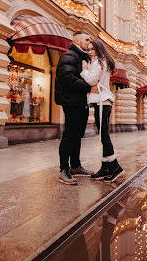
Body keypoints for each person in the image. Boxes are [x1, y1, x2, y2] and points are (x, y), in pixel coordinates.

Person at [80, 40, 124, 182]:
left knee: (104, 135)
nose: (90, 52)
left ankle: (115, 166)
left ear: (98, 49)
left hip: (102, 101)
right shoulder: (102, 61)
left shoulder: (98, 62)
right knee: (102, 135)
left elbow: (92, 80)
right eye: (88, 50)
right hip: (103, 101)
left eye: (92, 49)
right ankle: (105, 168)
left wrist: (84, 69)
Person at [55, 31, 94, 185]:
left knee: (78, 134)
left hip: (80, 102)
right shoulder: (69, 55)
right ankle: (64, 169)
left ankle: (76, 166)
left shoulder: (81, 58)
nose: (89, 43)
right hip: (71, 101)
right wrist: (88, 87)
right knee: (70, 135)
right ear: (77, 42)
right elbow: (67, 79)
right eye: (87, 40)